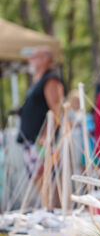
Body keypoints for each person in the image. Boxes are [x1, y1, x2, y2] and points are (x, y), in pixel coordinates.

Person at [17, 47, 64, 178]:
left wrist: (46, 136)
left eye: (34, 57)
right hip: (32, 140)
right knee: (39, 182)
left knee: (48, 181)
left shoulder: (51, 79)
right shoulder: (39, 80)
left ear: (45, 59)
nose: (30, 60)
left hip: (42, 141)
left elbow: (56, 109)